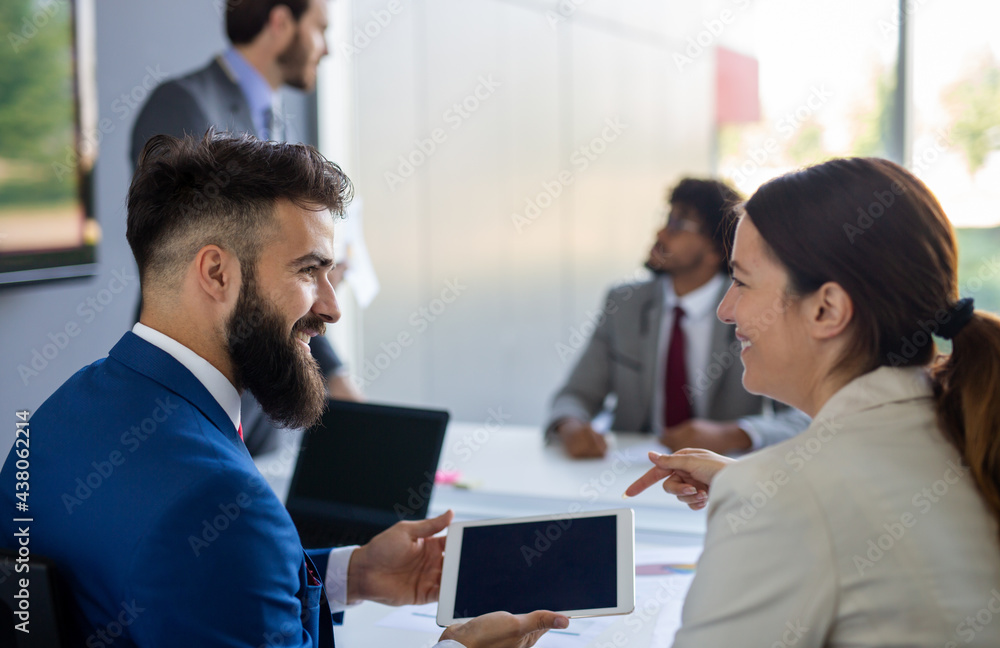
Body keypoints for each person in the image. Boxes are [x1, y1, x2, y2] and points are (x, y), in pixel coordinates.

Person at [0, 132, 566, 647]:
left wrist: (354, 573)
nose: (332, 307)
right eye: (307, 271)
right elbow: (214, 559)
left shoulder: (55, 421)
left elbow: (188, 591)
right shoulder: (223, 506)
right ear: (217, 273)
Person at [626, 158, 1000, 645]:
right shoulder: (966, 431)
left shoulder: (787, 500)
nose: (725, 310)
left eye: (741, 282)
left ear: (826, 309)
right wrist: (762, 491)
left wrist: (767, 500)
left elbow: (819, 508)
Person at [130, 0, 360, 455]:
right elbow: (182, 256)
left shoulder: (274, 120)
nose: (328, 48)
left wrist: (336, 376)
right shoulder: (184, 105)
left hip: (258, 400)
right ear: (280, 22)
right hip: (198, 395)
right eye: (320, 29)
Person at [547, 178, 809, 458]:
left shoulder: (751, 309)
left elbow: (803, 418)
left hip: (721, 475)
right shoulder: (624, 304)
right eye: (666, 218)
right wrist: (570, 426)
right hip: (632, 469)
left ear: (716, 250)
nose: (661, 232)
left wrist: (734, 434)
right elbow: (575, 395)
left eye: (678, 224)